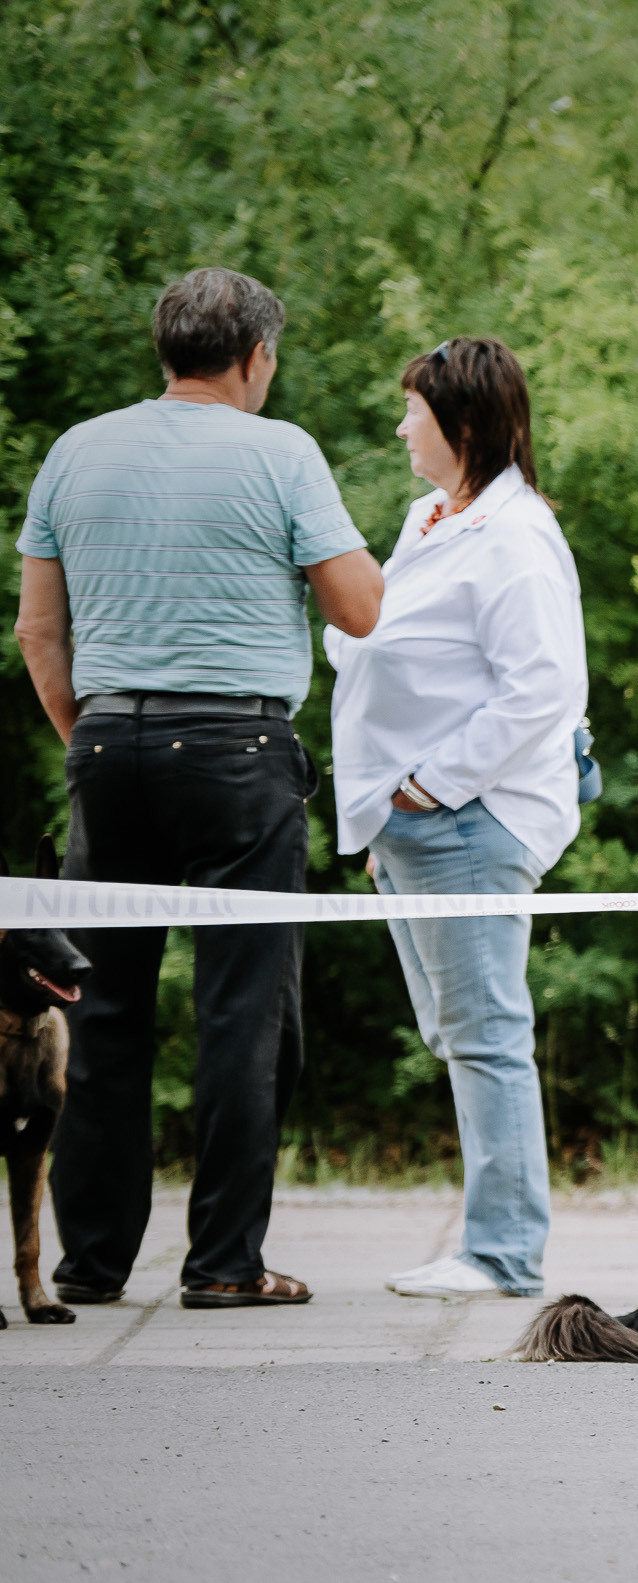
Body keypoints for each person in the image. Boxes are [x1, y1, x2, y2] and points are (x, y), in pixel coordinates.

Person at [12, 267, 383, 1309]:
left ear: (162, 348)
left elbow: (40, 630)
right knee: (242, 1013)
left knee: (101, 1003)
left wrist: (93, 740)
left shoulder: (76, 450)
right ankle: (223, 1262)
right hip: (237, 754)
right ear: (257, 357)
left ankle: (88, 1260)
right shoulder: (282, 452)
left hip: (110, 745)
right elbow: (359, 608)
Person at [326, 337, 587, 1300]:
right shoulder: (431, 517)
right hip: (407, 826)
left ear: (464, 425)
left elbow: (543, 690)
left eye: (415, 414)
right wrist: (384, 812)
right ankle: (492, 1241)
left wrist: (426, 790)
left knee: (484, 1034)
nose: (401, 428)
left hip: (464, 821)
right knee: (455, 1032)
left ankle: (503, 1251)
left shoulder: (516, 540)